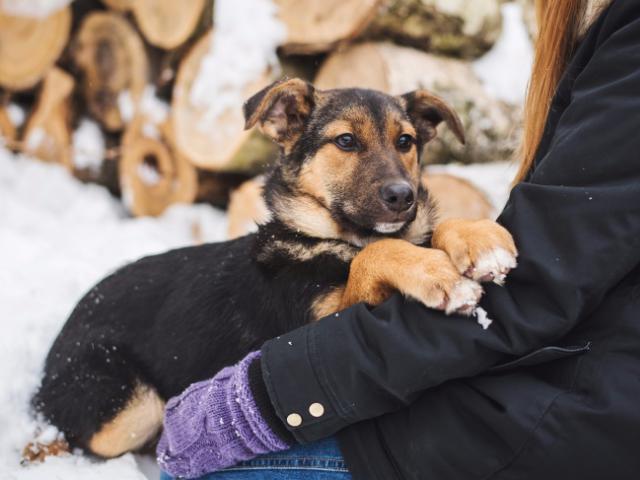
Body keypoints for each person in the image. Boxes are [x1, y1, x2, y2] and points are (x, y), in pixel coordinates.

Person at [158, 0, 640, 478]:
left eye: (404, 142)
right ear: (284, 125)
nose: (395, 181)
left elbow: (543, 274)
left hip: (569, 413)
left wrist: (268, 399)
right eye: (348, 143)